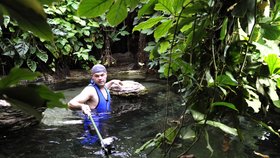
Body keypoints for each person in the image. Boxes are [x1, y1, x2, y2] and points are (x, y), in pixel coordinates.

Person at [68, 64, 122, 145]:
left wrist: (112, 81)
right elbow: (70, 103)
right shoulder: (90, 90)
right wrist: (82, 106)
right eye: (97, 76)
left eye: (102, 75)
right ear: (92, 77)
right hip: (93, 123)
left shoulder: (104, 87)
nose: (100, 78)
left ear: (106, 74)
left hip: (103, 121)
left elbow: (105, 87)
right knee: (92, 143)